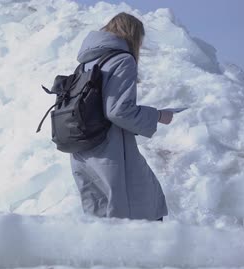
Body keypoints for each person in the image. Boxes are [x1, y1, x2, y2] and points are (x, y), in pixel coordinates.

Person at [70, 13, 174, 222]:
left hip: (82, 148)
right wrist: (158, 115)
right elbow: (118, 111)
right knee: (141, 213)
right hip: (111, 150)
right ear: (133, 36)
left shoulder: (85, 63)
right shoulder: (122, 60)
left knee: (99, 215)